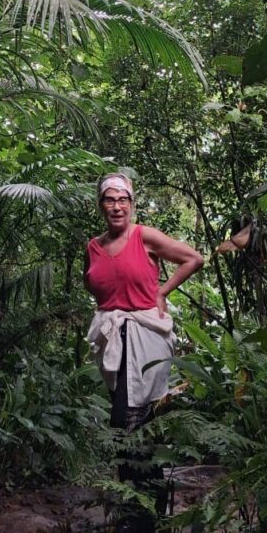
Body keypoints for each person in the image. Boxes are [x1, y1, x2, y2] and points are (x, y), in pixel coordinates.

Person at [84, 172, 204, 434]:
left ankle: (137, 474)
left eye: (123, 200)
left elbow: (194, 259)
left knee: (128, 415)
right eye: (109, 200)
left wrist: (162, 293)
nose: (117, 207)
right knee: (127, 409)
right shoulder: (93, 247)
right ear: (100, 205)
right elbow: (93, 284)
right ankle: (145, 474)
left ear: (132, 204)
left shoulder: (144, 236)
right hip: (112, 335)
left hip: (145, 333)